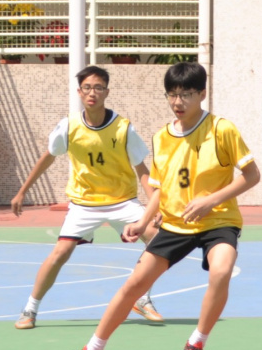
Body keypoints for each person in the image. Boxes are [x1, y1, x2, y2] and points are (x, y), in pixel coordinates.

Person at [60, 61, 259, 350]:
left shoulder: (222, 129)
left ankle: (196, 342)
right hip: (175, 224)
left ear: (202, 94)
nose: (178, 102)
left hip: (218, 220)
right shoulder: (162, 137)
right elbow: (161, 188)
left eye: (186, 95)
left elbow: (251, 175)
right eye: (172, 95)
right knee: (133, 286)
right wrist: (143, 221)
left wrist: (211, 200)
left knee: (221, 271)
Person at [10, 65, 163, 330]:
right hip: (84, 203)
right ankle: (30, 309)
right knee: (60, 252)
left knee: (159, 241)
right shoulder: (69, 127)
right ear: (79, 92)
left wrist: (155, 205)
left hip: (122, 201)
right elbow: (48, 157)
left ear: (107, 92)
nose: (93, 93)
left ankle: (142, 298)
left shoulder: (123, 128)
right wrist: (23, 190)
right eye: (87, 88)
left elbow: (142, 170)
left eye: (99, 88)